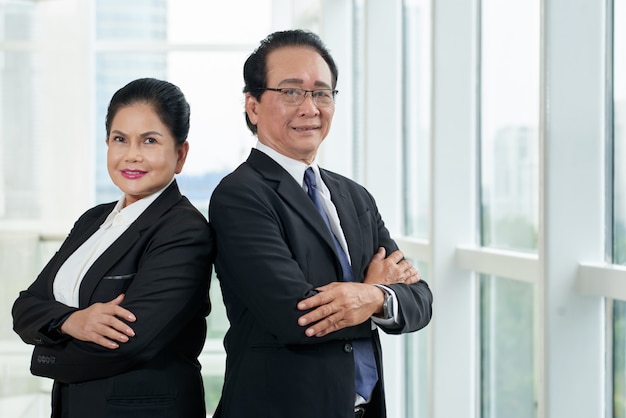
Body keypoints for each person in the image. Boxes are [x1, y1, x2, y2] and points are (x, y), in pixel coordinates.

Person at [208, 29, 433, 418]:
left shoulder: (355, 197)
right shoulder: (240, 195)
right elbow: (297, 315)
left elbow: (421, 301)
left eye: (322, 93)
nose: (310, 108)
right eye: (291, 91)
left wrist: (372, 297)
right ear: (253, 105)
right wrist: (375, 291)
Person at [12, 77, 212, 418]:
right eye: (120, 139)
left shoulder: (184, 230)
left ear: (180, 154)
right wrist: (72, 321)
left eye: (150, 141)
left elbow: (126, 345)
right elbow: (25, 307)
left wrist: (44, 350)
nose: (132, 155)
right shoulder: (93, 220)